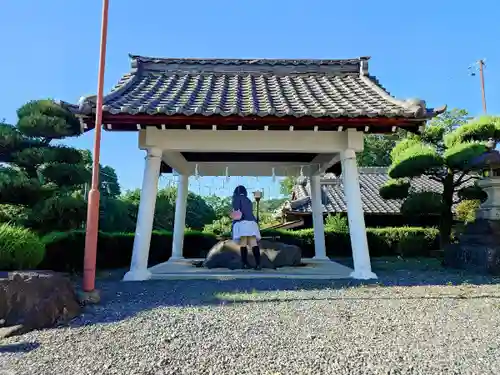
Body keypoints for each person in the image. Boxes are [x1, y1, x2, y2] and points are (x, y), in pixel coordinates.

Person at [230, 185, 262, 270]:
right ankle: (258, 264)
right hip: (252, 223)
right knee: (253, 243)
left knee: (243, 243)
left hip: (242, 223)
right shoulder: (248, 200)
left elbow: (236, 212)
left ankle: (244, 264)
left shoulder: (236, 199)